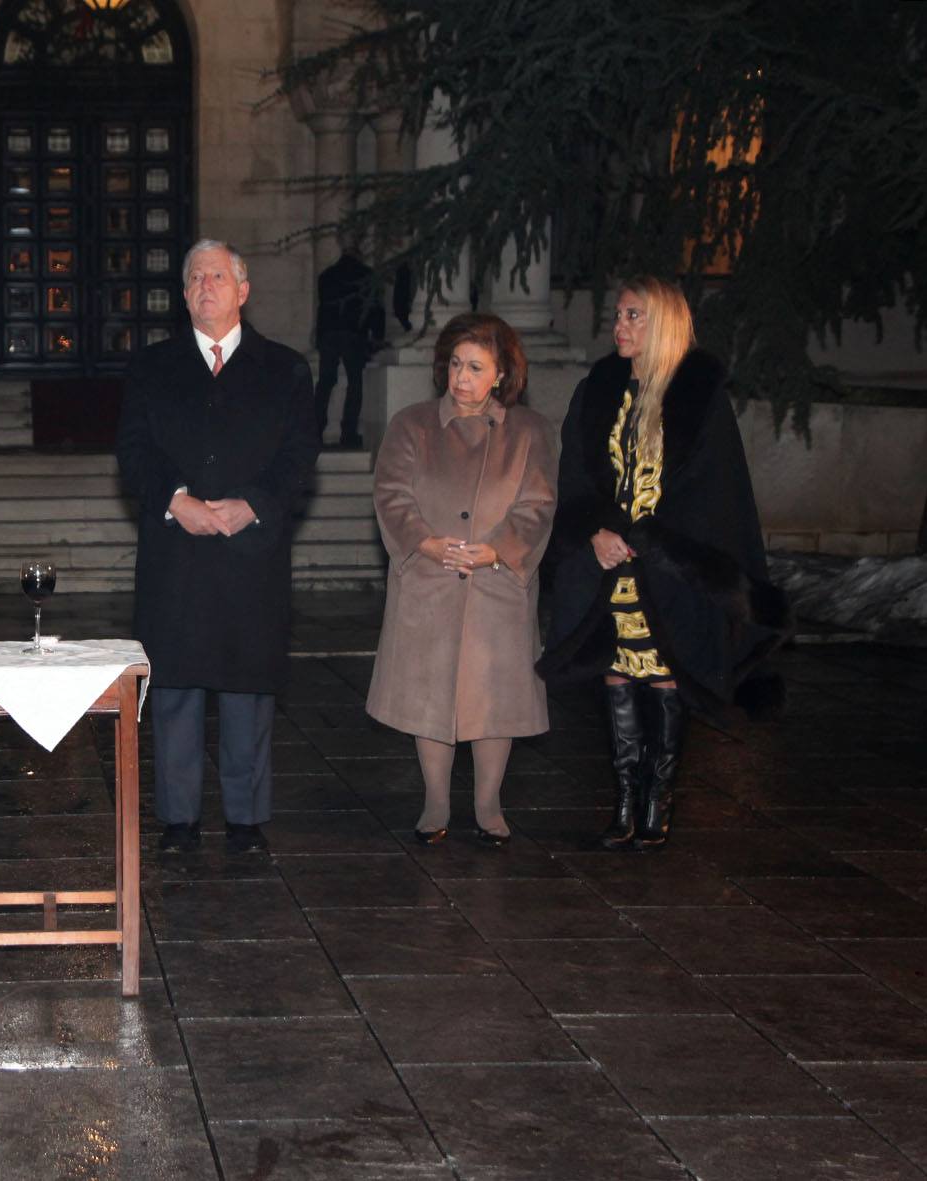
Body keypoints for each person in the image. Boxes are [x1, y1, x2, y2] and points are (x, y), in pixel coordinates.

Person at [538, 276, 788, 851]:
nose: (620, 326)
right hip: (609, 568)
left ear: (665, 323)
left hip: (669, 570)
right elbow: (574, 476)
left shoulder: (698, 401)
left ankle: (659, 799)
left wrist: (657, 542)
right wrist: (596, 530)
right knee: (617, 673)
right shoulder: (597, 392)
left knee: (666, 677)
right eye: (619, 314)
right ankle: (625, 801)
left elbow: (716, 495)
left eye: (634, 315)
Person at [117, 239, 320, 855]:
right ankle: (178, 820)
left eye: (218, 277)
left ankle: (245, 819)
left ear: (243, 291)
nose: (206, 286)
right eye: (196, 278)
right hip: (175, 554)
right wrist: (174, 499)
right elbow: (133, 450)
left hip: (248, 555)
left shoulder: (284, 368)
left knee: (246, 690)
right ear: (184, 296)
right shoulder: (151, 367)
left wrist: (254, 504)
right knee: (174, 689)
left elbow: (299, 456)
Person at [366, 313, 557, 846]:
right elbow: (391, 495)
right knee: (430, 695)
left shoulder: (530, 431)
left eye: (475, 367)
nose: (461, 378)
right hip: (429, 579)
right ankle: (435, 801)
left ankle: (489, 803)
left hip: (498, 582)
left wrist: (498, 550)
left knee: (494, 699)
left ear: (501, 375)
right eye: (455, 364)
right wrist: (426, 543)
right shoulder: (412, 424)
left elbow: (538, 505)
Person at [314, 248, 385, 448]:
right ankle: (349, 432)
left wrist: (319, 336)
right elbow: (374, 309)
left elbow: (323, 308)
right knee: (355, 382)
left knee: (326, 382)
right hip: (353, 333)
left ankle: (315, 429)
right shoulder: (367, 275)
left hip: (330, 333)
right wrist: (377, 336)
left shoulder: (327, 276)